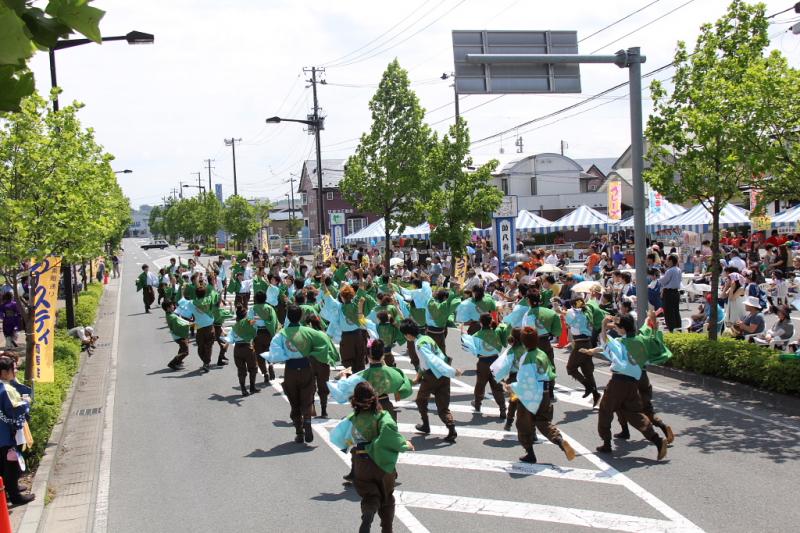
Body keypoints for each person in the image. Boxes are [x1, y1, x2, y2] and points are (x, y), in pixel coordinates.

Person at [581, 314, 669, 461]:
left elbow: (605, 343)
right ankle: (657, 440)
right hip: (634, 382)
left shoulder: (620, 341)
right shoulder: (642, 340)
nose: (615, 328)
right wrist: (654, 327)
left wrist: (603, 325)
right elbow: (654, 341)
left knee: (605, 409)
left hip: (618, 382)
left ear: (622, 329)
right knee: (634, 413)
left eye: (617, 327)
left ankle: (607, 443)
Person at [329, 381, 413, 533]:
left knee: (369, 495)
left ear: (355, 400)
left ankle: (368, 515)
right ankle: (387, 529)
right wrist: (405, 444)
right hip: (381, 463)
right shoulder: (382, 417)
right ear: (375, 398)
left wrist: (350, 443)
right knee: (387, 498)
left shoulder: (351, 419)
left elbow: (337, 437)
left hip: (361, 463)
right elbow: (390, 434)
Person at [492, 327, 576, 464]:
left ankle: (530, 454)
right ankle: (559, 440)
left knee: (523, 425)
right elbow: (551, 372)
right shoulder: (541, 353)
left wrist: (511, 386)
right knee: (543, 422)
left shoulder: (526, 358)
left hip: (531, 395)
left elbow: (526, 382)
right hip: (545, 392)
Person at [265, 305, 340, 443]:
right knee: (307, 396)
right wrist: (314, 353)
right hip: (306, 367)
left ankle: (299, 432)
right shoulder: (309, 332)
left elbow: (274, 352)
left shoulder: (281, 333)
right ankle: (307, 420)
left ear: (287, 317)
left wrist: (282, 356)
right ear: (300, 317)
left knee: (294, 400)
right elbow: (324, 341)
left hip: (290, 370)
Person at [400, 319, 458, 443]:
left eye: (405, 336)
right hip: (443, 375)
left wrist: (452, 371)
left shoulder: (419, 345)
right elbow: (436, 358)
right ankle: (451, 428)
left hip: (432, 376)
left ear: (408, 335)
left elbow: (432, 361)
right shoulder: (428, 338)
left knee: (421, 400)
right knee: (443, 405)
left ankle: (425, 425)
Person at [0, 356, 34, 505]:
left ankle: (8, 489)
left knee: (3, 463)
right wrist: (26, 403)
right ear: (4, 372)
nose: (15, 371)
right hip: (7, 433)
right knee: (11, 464)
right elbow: (15, 410)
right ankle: (15, 496)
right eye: (13, 369)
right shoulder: (6, 389)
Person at [460, 313, 508, 419]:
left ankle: (477, 405)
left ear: (480, 323)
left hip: (483, 362)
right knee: (497, 386)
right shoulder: (497, 332)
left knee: (480, 384)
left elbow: (470, 347)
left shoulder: (476, 335)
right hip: (496, 361)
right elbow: (504, 340)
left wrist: (463, 332)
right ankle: (503, 408)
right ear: (491, 322)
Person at [563, 296, 601, 406]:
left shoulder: (575, 314)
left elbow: (569, 321)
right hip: (587, 342)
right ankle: (595, 393)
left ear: (574, 305)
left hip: (581, 344)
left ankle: (588, 386)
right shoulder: (587, 312)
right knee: (587, 371)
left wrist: (563, 312)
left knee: (570, 368)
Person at [226, 305, 260, 396]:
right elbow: (255, 331)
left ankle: (243, 389)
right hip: (248, 348)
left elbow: (230, 339)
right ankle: (252, 387)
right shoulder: (248, 322)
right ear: (245, 315)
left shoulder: (234, 327)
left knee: (241, 370)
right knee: (253, 368)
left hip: (237, 349)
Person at [248, 291, 279, 386]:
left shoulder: (253, 309)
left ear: (256, 299)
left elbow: (250, 321)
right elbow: (274, 321)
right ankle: (270, 364)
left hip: (258, 334)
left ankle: (265, 373)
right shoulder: (269, 308)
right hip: (268, 333)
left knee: (260, 355)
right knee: (269, 351)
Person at [162, 300, 191, 370]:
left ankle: (179, 361)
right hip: (179, 335)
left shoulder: (169, 314)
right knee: (185, 352)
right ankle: (173, 363)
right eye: (172, 305)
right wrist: (189, 324)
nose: (174, 306)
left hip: (176, 335)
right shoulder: (172, 317)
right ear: (168, 308)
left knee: (182, 348)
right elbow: (181, 325)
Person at [659, 255, 682, 331]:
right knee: (676, 312)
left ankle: (671, 330)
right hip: (676, 292)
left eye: (667, 260)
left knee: (669, 313)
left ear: (671, 261)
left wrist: (660, 276)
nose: (666, 262)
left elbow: (663, 281)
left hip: (669, 293)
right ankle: (678, 329)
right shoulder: (678, 269)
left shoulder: (670, 270)